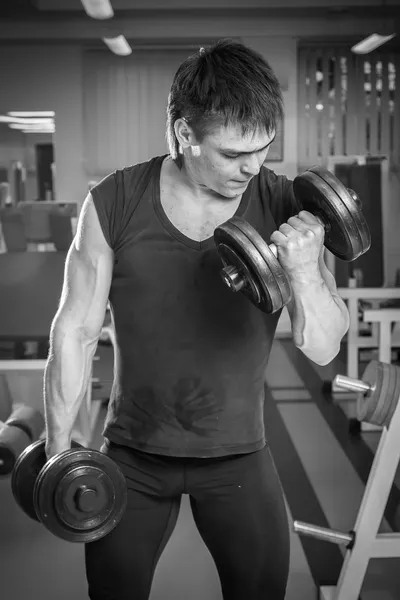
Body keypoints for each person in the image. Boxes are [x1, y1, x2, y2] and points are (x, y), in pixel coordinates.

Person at [43, 39, 349, 600]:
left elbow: (325, 349)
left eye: (264, 150)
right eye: (234, 154)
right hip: (132, 457)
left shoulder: (284, 205)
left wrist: (305, 271)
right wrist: (60, 452)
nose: (253, 168)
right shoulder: (114, 202)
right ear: (185, 134)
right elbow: (76, 330)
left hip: (239, 455)